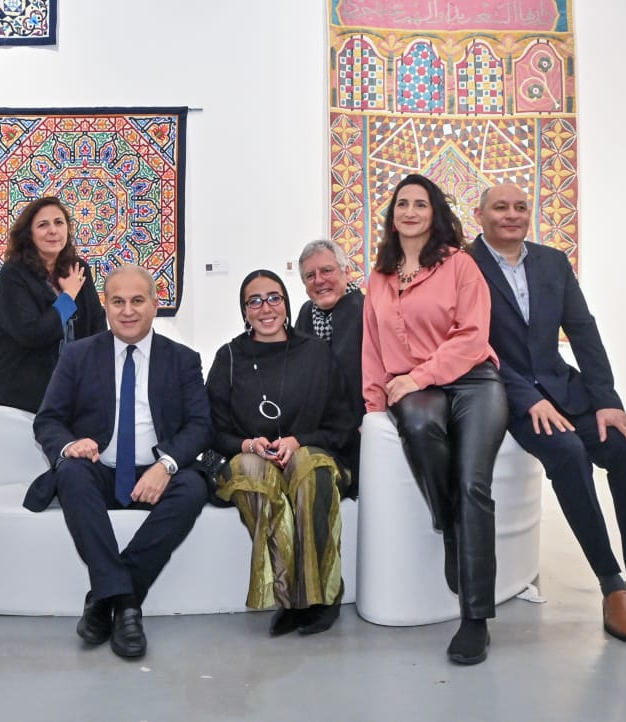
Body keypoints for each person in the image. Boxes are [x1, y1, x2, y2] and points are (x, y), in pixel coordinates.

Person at [468, 182, 626, 644]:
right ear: (479, 215)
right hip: (507, 396)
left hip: (565, 388)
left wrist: (608, 402)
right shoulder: (463, 266)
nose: (512, 214)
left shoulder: (552, 262)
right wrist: (526, 397)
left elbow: (584, 332)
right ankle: (612, 584)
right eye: (500, 207)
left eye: (521, 206)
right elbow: (473, 343)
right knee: (568, 453)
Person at [26, 264, 212, 659]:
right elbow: (48, 420)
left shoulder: (183, 359)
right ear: (105, 306)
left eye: (138, 301)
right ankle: (126, 604)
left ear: (155, 304)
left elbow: (200, 425)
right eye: (118, 302)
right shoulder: (77, 356)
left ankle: (104, 599)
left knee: (193, 487)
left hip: (156, 472)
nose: (128, 311)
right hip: (98, 468)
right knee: (71, 474)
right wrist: (70, 445)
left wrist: (166, 465)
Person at [361, 173, 508, 665]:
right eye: (402, 203)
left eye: (420, 204)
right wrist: (372, 407)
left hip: (473, 379)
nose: (410, 212)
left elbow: (472, 335)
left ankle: (475, 618)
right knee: (419, 429)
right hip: (413, 387)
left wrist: (421, 375)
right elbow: (372, 347)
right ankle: (450, 527)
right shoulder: (379, 278)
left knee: (472, 484)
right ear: (392, 216)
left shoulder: (460, 265)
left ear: (434, 213)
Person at [207, 269, 358, 636]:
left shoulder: (316, 353)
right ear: (244, 311)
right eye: (254, 301)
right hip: (252, 456)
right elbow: (212, 430)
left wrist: (298, 440)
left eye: (274, 297)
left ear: (287, 304)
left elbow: (341, 423)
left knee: (311, 472)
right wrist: (248, 444)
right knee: (254, 474)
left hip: (312, 451)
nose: (266, 308)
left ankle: (322, 597)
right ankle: (290, 597)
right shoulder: (229, 357)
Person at [0, 196, 106, 413]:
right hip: (23, 393)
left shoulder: (78, 269)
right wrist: (68, 297)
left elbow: (97, 325)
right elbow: (33, 333)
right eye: (43, 225)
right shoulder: (13, 274)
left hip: (73, 387)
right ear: (29, 233)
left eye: (59, 223)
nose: (53, 230)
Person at [293, 239, 366, 491]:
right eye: (310, 276)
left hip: (359, 435)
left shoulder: (368, 311)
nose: (319, 280)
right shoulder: (306, 314)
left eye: (326, 270)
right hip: (317, 436)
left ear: (346, 271)